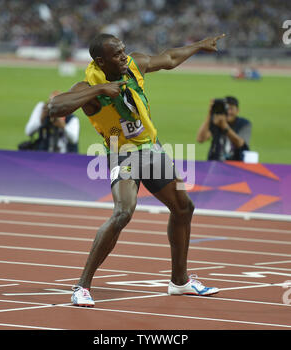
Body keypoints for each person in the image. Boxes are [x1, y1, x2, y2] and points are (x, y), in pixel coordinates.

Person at [48, 33, 225, 307]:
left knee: (183, 207)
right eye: (117, 54)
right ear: (100, 61)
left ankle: (179, 281)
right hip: (122, 153)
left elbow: (168, 58)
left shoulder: (132, 64)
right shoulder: (87, 86)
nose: (124, 56)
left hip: (150, 149)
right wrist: (98, 90)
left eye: (123, 51)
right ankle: (81, 286)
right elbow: (55, 107)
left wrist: (199, 46)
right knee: (122, 213)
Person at [196, 96, 252, 161]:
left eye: (231, 109)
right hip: (215, 163)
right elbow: (200, 139)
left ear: (237, 111)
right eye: (226, 108)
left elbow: (240, 144)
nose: (228, 112)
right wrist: (210, 114)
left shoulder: (244, 124)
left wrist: (224, 126)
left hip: (235, 164)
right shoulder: (217, 121)